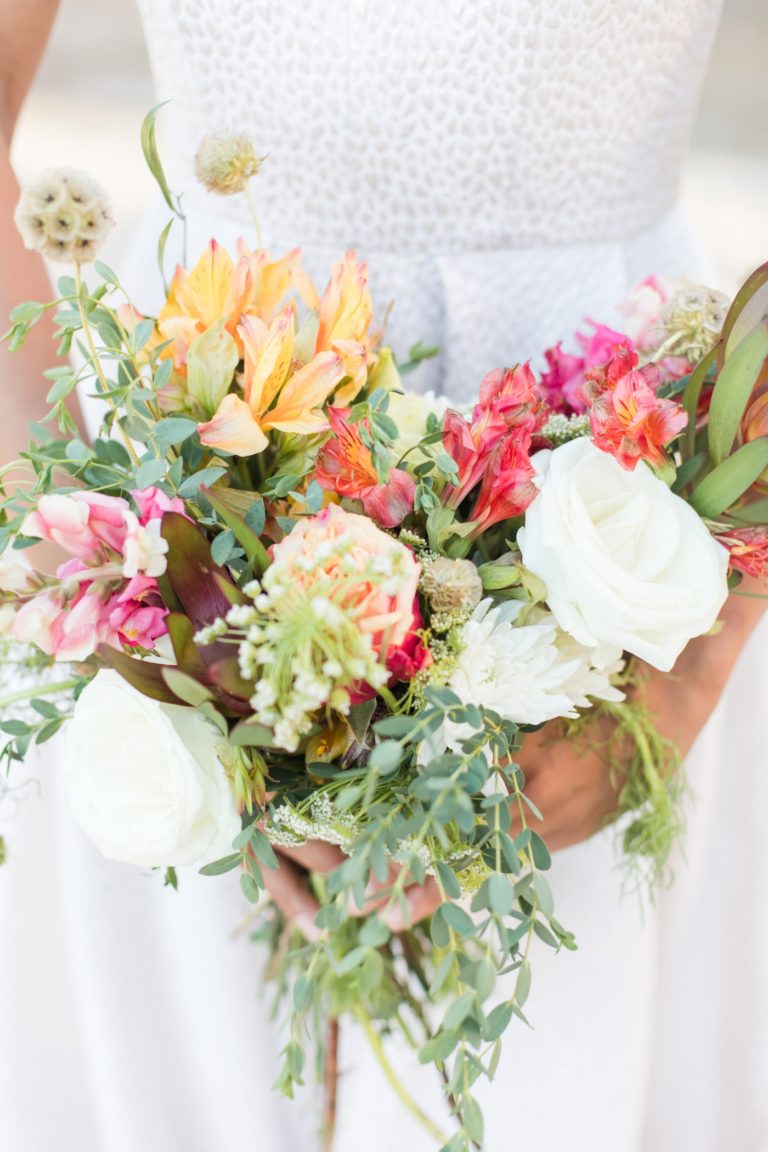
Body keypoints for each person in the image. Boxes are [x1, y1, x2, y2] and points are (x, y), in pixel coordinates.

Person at [0, 2, 765, 1150]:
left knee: (571, 1052)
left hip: (629, 459)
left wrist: (694, 665)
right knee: (191, 1065)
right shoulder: (149, 546)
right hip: (199, 428)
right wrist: (105, 559)